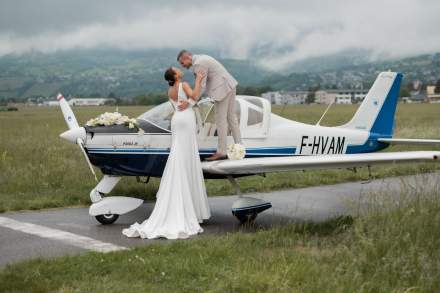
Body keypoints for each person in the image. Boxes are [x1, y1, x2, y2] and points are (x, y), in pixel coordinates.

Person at [122, 67, 211, 239]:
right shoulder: (184, 84)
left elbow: (186, 102)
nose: (179, 70)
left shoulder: (170, 89)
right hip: (185, 120)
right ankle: (188, 208)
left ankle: (188, 205)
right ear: (176, 75)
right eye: (177, 69)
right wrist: (199, 80)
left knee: (180, 155)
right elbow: (196, 96)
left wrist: (190, 103)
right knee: (186, 157)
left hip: (178, 120)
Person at [177, 50, 242, 161]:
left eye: (182, 63)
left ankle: (221, 152)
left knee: (220, 120)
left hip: (221, 89)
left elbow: (201, 86)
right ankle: (240, 148)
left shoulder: (198, 64)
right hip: (229, 85)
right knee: (231, 118)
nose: (183, 66)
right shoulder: (202, 57)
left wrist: (189, 103)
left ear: (187, 57)